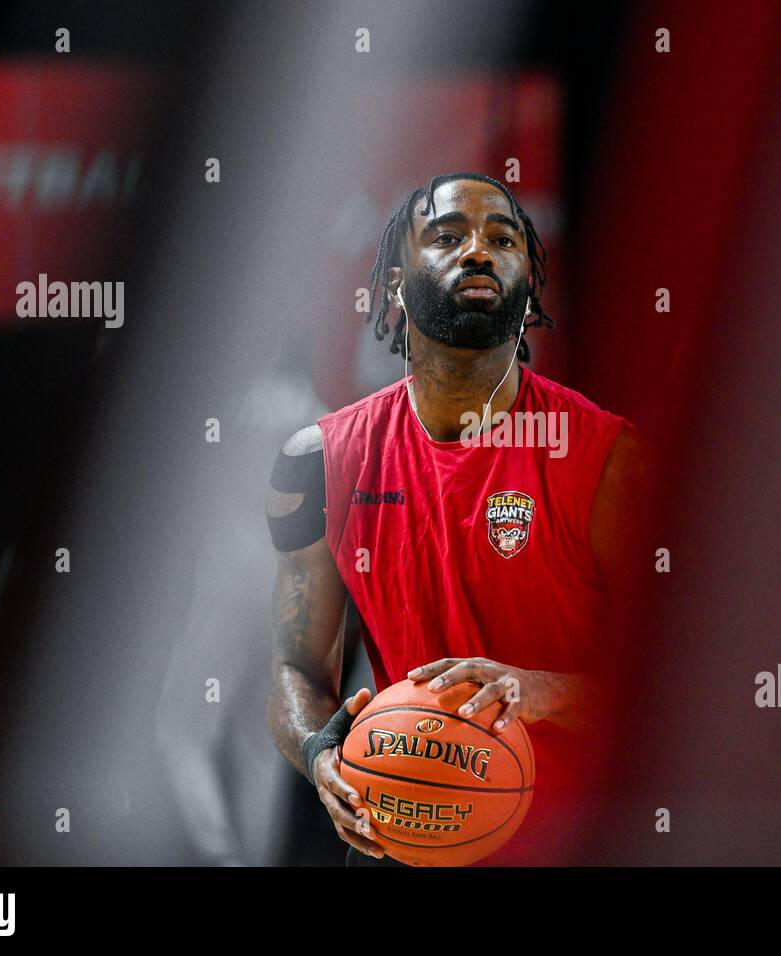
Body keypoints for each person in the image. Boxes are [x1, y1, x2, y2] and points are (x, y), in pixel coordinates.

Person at [265, 172, 649, 866]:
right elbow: (297, 664)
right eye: (446, 236)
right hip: (404, 824)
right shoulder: (319, 461)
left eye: (502, 239)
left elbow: (674, 685)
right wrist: (321, 752)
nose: (478, 251)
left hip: (566, 839)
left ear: (528, 286)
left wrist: (543, 690)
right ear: (391, 283)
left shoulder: (608, 459)